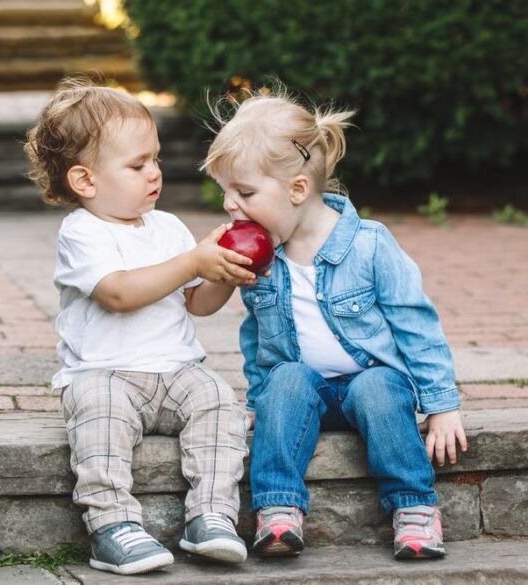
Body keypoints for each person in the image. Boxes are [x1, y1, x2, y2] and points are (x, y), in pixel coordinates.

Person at [201, 88, 468, 560]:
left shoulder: (370, 245)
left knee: (380, 387)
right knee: (285, 379)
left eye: (243, 193)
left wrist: (442, 404)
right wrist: (260, 400)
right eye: (226, 192)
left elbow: (416, 325)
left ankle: (414, 507)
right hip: (308, 392)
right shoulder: (264, 257)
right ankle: (278, 510)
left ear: (298, 189)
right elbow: (258, 336)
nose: (229, 205)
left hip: (373, 386)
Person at [23, 78, 257, 575]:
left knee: (219, 401)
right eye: (137, 165)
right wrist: (194, 261)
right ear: (85, 181)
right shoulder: (83, 232)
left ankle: (211, 515)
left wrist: (225, 272)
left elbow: (197, 304)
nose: (154, 173)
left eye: (155, 159)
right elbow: (119, 293)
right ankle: (112, 526)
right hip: (104, 374)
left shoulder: (167, 226)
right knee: (98, 415)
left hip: (176, 371)